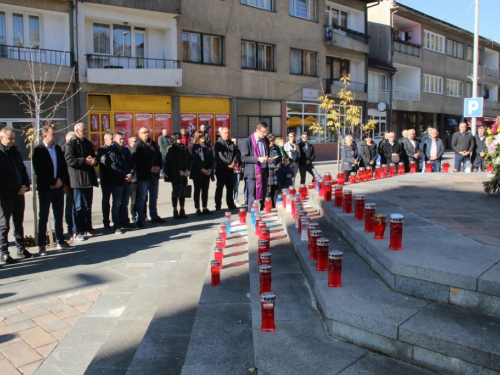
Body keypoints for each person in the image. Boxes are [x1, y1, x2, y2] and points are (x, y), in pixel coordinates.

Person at [33, 125, 74, 255]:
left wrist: (61, 182)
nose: (55, 137)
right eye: (53, 134)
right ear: (45, 136)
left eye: (55, 134)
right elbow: (40, 171)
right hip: (46, 188)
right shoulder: (38, 150)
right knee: (44, 216)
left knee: (58, 215)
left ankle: (60, 240)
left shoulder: (57, 148)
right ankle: (42, 244)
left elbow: (62, 166)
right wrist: (52, 182)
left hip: (58, 188)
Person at [0, 127, 32, 264]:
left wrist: (26, 185)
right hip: (5, 195)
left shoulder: (15, 152)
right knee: (3, 225)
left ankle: (21, 247)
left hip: (19, 194)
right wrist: (17, 188)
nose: (12, 141)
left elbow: (23, 170)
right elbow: (2, 177)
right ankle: (3, 252)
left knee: (19, 222)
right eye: (10, 138)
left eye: (13, 138)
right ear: (1, 138)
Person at [65, 123, 101, 241]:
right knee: (78, 207)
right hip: (76, 180)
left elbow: (93, 157)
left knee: (87, 206)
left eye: (86, 129)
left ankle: (87, 227)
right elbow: (70, 160)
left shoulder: (88, 143)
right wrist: (85, 161)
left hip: (87, 179)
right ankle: (76, 231)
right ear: (76, 130)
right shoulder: (71, 144)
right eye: (83, 129)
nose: (85, 131)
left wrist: (94, 161)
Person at [132, 127, 165, 227]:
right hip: (144, 176)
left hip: (154, 175)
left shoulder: (153, 144)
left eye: (148, 132)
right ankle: (140, 219)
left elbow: (159, 156)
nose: (147, 134)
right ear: (139, 134)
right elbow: (137, 162)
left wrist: (159, 167)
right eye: (144, 132)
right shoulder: (137, 146)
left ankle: (154, 216)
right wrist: (149, 168)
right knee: (142, 198)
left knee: (154, 197)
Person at [104, 132, 136, 234]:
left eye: (123, 139)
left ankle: (125, 222)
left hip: (127, 180)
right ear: (114, 139)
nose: (122, 141)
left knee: (125, 203)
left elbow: (132, 164)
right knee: (116, 204)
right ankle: (116, 225)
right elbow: (113, 167)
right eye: (119, 139)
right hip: (117, 181)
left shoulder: (125, 150)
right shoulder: (110, 151)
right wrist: (124, 175)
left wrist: (131, 174)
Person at [240, 121, 274, 211]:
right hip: (252, 173)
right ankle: (252, 216)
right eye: (263, 132)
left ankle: (262, 213)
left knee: (263, 195)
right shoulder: (248, 141)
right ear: (257, 130)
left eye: (266, 131)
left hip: (264, 171)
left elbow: (266, 154)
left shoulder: (265, 140)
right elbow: (243, 158)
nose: (265, 134)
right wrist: (257, 159)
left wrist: (269, 159)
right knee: (252, 196)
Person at [165, 133, 192, 219]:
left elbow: (190, 160)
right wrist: (179, 170)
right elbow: (170, 163)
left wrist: (187, 169)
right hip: (175, 174)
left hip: (184, 173)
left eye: (180, 138)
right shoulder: (171, 149)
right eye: (178, 139)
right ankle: (175, 210)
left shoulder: (184, 148)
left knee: (183, 191)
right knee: (176, 192)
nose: (180, 140)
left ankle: (182, 209)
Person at [191, 130, 214, 216]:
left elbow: (212, 158)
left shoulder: (208, 146)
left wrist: (210, 169)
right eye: (201, 136)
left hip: (207, 171)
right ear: (197, 138)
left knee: (205, 190)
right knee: (197, 190)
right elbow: (196, 161)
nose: (203, 137)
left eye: (203, 136)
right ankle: (197, 208)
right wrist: (202, 169)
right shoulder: (195, 147)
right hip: (198, 172)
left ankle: (205, 207)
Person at [214, 126, 237, 211]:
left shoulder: (231, 143)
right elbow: (220, 156)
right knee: (219, 188)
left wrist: (233, 162)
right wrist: (228, 163)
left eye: (228, 133)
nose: (227, 135)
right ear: (221, 134)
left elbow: (236, 153)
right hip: (221, 169)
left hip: (230, 169)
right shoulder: (218, 144)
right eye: (225, 133)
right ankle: (218, 205)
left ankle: (230, 204)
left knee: (230, 188)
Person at [127, 136, 147, 223]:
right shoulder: (128, 152)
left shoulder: (140, 151)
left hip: (142, 177)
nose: (136, 143)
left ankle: (143, 215)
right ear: (129, 143)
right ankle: (134, 216)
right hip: (133, 180)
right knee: (134, 200)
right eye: (134, 141)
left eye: (137, 141)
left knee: (143, 198)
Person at [98, 133, 113, 229]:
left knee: (117, 201)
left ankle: (118, 220)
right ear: (105, 139)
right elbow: (105, 161)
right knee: (106, 200)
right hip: (106, 179)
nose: (112, 140)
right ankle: (106, 221)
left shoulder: (115, 149)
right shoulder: (101, 149)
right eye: (111, 139)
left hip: (115, 178)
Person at [63, 131, 76, 236]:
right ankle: (70, 227)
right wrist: (65, 184)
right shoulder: (64, 150)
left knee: (77, 205)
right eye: (72, 139)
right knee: (70, 206)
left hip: (75, 181)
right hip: (68, 182)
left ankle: (77, 226)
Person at [267, 134, 282, 208]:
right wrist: (273, 166)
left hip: (276, 172)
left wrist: (279, 165)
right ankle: (268, 206)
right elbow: (265, 162)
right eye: (270, 141)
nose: (271, 143)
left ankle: (275, 205)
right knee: (268, 192)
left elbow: (280, 159)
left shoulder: (277, 148)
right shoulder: (265, 149)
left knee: (276, 190)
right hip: (269, 173)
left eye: (273, 141)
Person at [232, 137, 244, 207]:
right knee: (232, 186)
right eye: (233, 141)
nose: (235, 143)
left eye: (235, 141)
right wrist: (235, 168)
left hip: (238, 170)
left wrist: (240, 168)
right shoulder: (230, 150)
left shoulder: (238, 150)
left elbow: (240, 160)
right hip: (232, 170)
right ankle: (232, 201)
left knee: (236, 186)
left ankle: (236, 200)